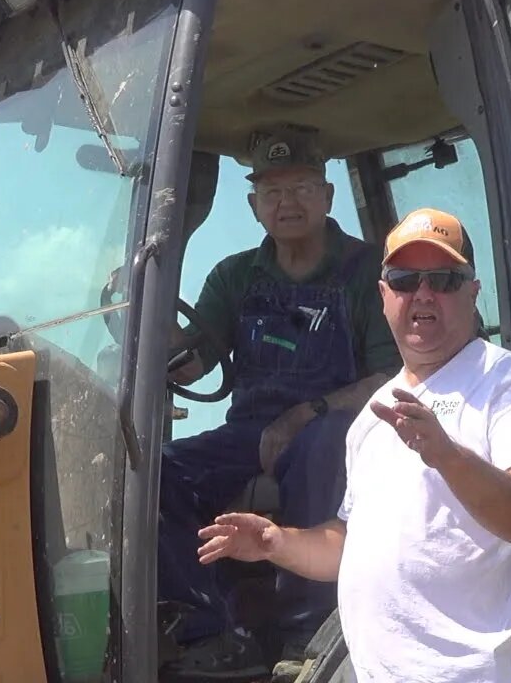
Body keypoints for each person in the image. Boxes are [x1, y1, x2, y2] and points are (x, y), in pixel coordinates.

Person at [194, 208, 511, 682]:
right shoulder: (372, 416)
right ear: (382, 294)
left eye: (444, 279)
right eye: (404, 278)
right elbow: (348, 542)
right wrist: (275, 542)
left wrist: (447, 456)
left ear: (474, 292)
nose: (422, 293)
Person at [157, 124, 400, 680]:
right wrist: (144, 300)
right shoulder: (235, 276)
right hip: (249, 434)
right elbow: (190, 363)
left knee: (321, 445)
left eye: (301, 189)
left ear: (327, 195)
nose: (286, 203)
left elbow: (390, 375)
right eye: (272, 192)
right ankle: (211, 629)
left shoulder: (368, 273)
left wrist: (305, 414)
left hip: (339, 428)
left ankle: (305, 631)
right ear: (253, 205)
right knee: (161, 471)